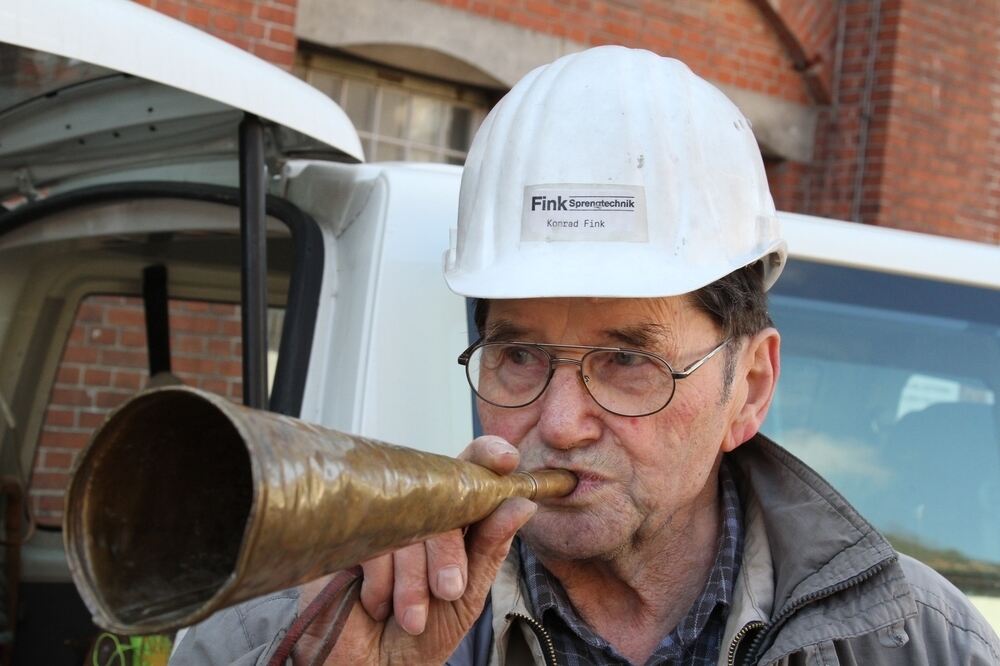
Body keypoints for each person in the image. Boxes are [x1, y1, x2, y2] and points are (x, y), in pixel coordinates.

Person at [171, 46, 1000, 665]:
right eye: (519, 355)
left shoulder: (922, 642)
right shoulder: (296, 627)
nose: (560, 424)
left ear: (748, 389)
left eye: (627, 361)